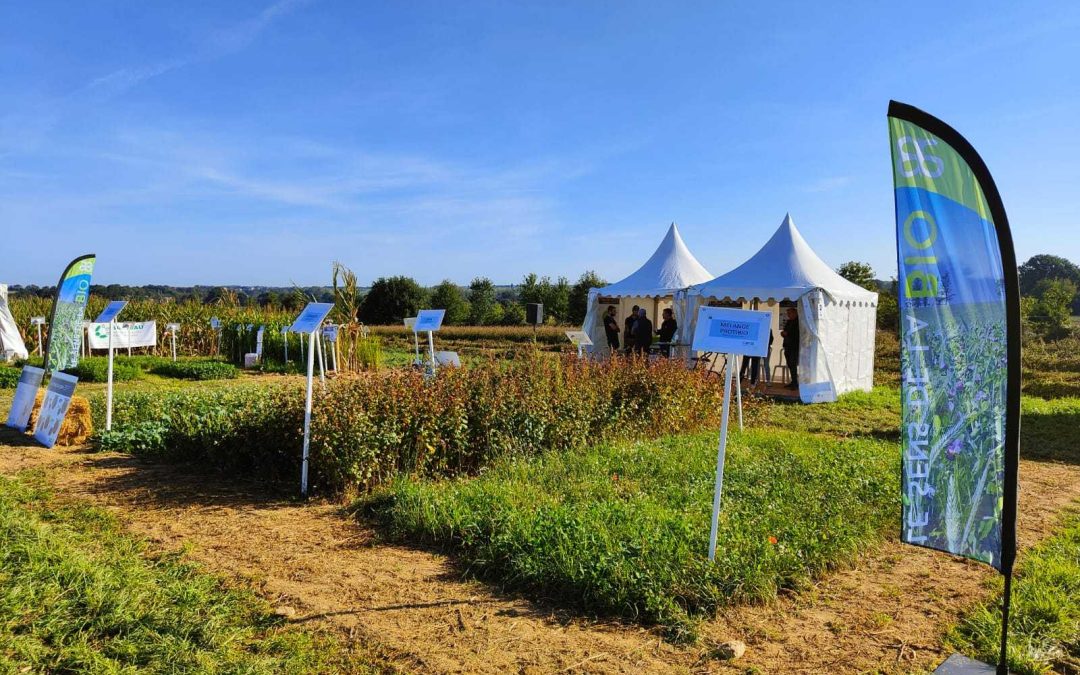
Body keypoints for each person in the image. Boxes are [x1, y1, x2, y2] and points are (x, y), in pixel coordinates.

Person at [781, 307, 799, 389]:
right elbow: (784, 331)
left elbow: (796, 334)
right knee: (790, 365)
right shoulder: (789, 322)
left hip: (794, 347)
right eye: (787, 314)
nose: (788, 315)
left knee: (793, 364)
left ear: (794, 313)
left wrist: (787, 333)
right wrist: (783, 333)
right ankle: (793, 381)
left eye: (789, 313)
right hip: (787, 346)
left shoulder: (798, 322)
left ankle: (795, 383)